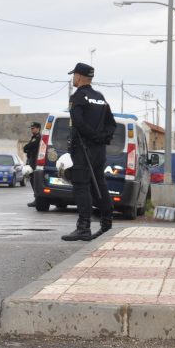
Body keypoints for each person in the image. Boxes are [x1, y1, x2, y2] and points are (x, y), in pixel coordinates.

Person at [62, 62, 115, 242]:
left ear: (78, 76)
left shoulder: (77, 97)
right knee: (100, 183)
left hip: (83, 149)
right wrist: (102, 138)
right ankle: (107, 223)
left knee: (82, 186)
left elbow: (78, 122)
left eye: (74, 76)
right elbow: (111, 124)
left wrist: (92, 137)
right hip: (99, 150)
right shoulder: (100, 97)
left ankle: (83, 227)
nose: (73, 79)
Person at [23, 121, 41, 207]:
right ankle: (36, 198)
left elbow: (29, 146)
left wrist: (27, 148)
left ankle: (37, 199)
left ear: (38, 129)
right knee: (32, 179)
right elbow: (27, 148)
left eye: (33, 128)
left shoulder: (38, 138)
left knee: (34, 180)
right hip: (31, 160)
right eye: (31, 128)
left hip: (35, 161)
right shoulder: (34, 137)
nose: (31, 129)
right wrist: (27, 148)